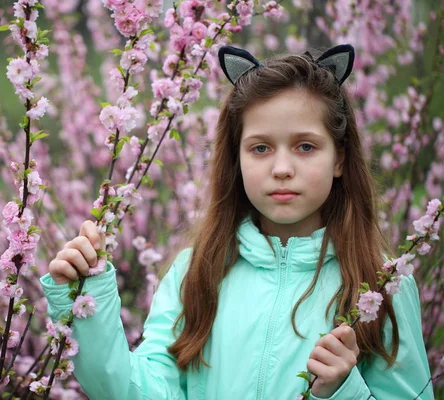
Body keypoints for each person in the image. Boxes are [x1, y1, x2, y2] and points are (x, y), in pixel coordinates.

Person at [40, 44, 435, 399]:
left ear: (339, 158)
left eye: (305, 146)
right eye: (260, 147)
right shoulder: (196, 272)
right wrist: (88, 303)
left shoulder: (381, 285)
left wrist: (343, 392)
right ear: (238, 158)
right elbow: (138, 392)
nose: (282, 168)